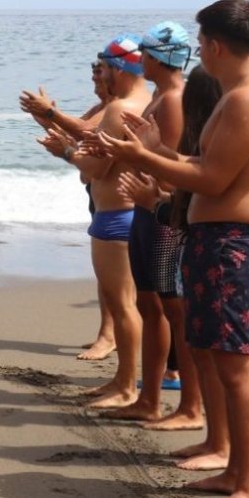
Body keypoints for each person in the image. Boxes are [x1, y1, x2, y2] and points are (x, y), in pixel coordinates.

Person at [97, 0, 249, 498]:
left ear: (217, 45)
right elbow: (206, 163)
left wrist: (145, 158)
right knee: (211, 357)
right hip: (215, 242)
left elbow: (213, 181)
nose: (197, 50)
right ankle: (228, 462)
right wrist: (162, 149)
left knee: (237, 368)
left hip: (235, 246)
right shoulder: (235, 96)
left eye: (201, 41)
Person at [101, 21, 200, 427]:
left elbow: (172, 166)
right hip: (145, 211)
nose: (140, 59)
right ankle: (150, 397)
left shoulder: (174, 98)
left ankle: (189, 406)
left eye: (145, 52)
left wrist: (152, 190)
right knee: (149, 305)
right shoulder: (161, 96)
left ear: (159, 57)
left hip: (162, 216)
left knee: (172, 312)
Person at [69, 34, 151, 409]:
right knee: (131, 303)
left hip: (116, 216)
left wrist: (66, 151)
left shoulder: (120, 110)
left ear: (119, 69)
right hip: (130, 213)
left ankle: (126, 385)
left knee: (123, 305)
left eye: (105, 68)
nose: (101, 75)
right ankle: (124, 380)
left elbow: (97, 168)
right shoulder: (150, 102)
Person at [24, 61, 119, 361]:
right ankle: (107, 333)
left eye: (99, 71)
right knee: (106, 274)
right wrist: (45, 118)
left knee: (113, 277)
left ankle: (109, 336)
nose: (94, 76)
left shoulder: (115, 108)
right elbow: (77, 140)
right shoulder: (98, 107)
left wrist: (52, 114)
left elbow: (85, 132)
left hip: (115, 202)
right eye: (92, 70)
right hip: (98, 195)